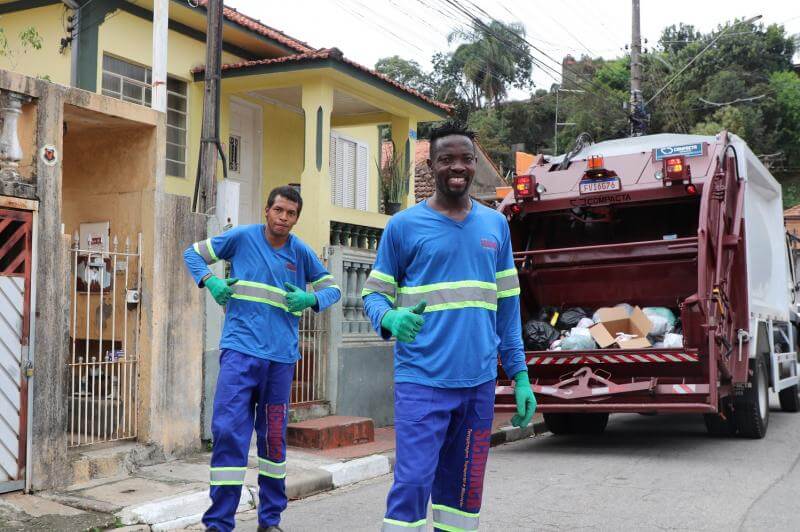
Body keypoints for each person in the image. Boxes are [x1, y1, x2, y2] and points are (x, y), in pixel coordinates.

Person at [362, 123, 536, 532]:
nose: (457, 167)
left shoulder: (496, 226)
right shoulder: (403, 227)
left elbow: (507, 310)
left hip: (477, 386)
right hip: (422, 382)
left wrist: (521, 375)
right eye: (447, 160)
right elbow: (373, 296)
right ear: (432, 164)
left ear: (474, 164)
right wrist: (389, 317)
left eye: (466, 159)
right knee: (412, 485)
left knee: (463, 494)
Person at [184, 185, 341, 532]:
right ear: (266, 211)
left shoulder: (300, 252)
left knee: (273, 439)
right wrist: (210, 282)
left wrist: (310, 299)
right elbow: (192, 254)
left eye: (291, 213)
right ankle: (219, 523)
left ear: (296, 218)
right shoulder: (240, 238)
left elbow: (334, 288)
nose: (283, 218)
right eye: (279, 210)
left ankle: (269, 521)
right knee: (228, 433)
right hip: (240, 354)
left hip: (280, 361)